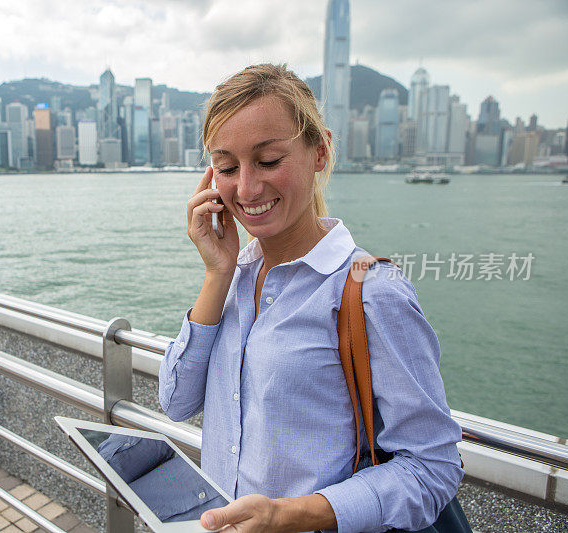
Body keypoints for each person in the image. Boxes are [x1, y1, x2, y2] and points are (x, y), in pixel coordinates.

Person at [158, 64, 464, 533]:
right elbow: (176, 401)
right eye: (226, 167)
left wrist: (288, 515)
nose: (246, 188)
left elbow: (433, 468)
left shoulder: (372, 291)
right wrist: (216, 273)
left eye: (268, 160)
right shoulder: (235, 277)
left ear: (318, 152)